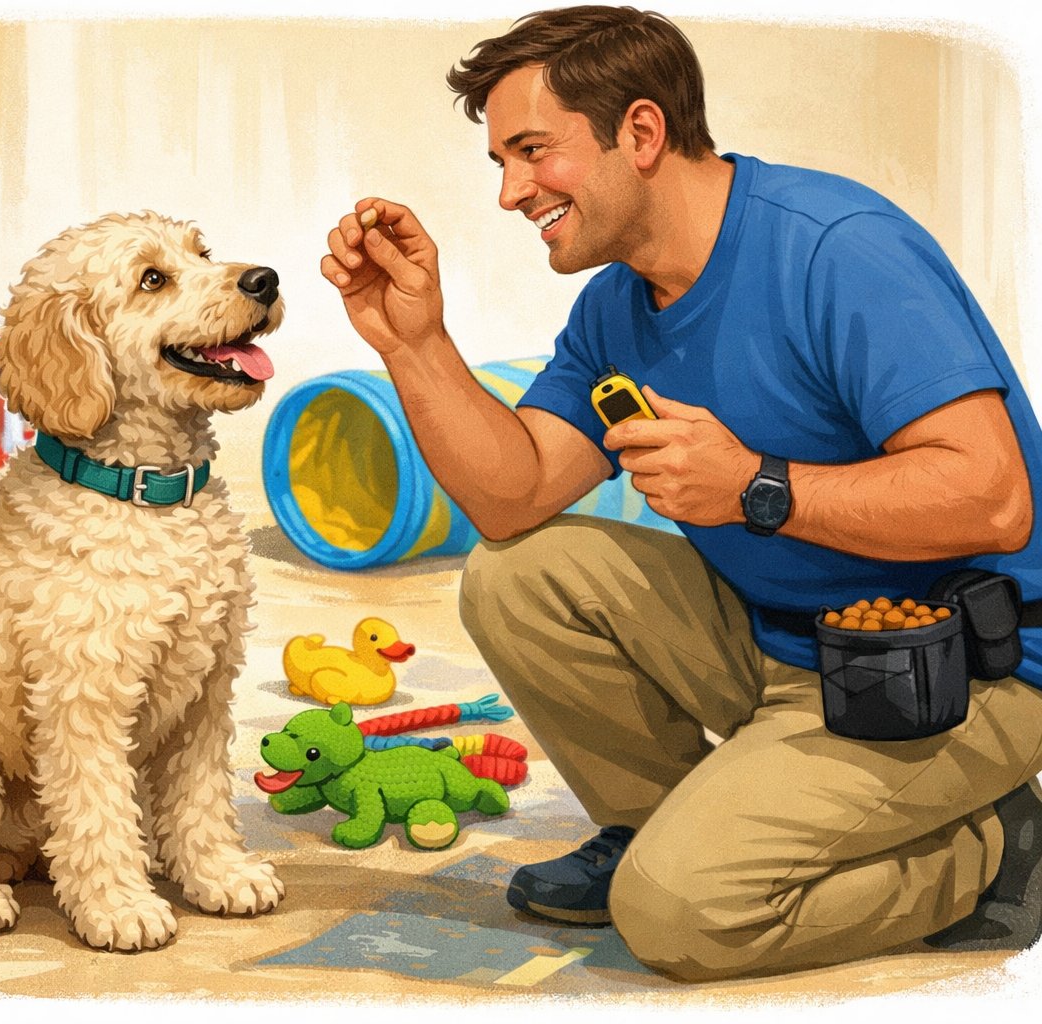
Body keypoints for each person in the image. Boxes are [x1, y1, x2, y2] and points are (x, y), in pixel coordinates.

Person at [320, 5, 1042, 982]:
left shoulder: (837, 248)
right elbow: (512, 495)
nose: (510, 193)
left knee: (680, 919)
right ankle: (652, 823)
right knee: (520, 572)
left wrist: (757, 488)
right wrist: (414, 343)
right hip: (778, 642)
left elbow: (993, 499)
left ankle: (992, 848)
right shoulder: (616, 306)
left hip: (960, 671)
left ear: (642, 131)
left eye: (531, 151)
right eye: (501, 161)